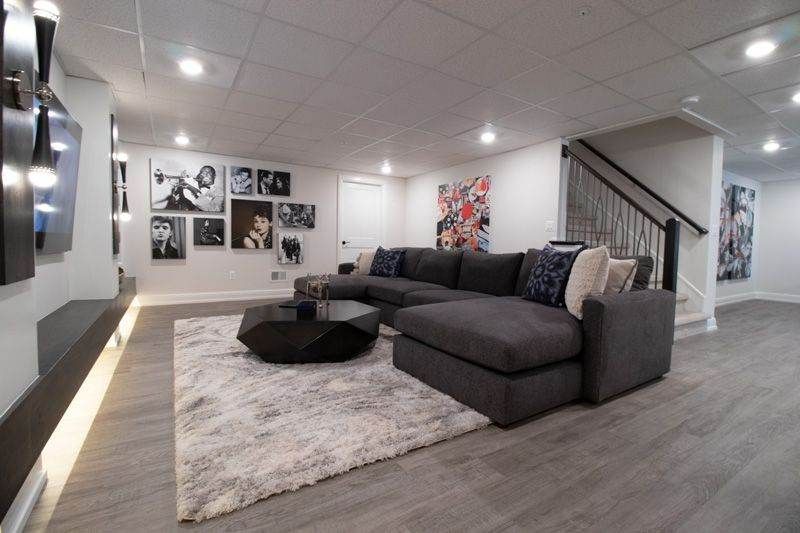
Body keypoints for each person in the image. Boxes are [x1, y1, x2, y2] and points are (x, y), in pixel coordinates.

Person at [151, 165, 224, 212]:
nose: (204, 175)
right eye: (202, 173)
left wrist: (191, 187)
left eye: (208, 173)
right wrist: (179, 185)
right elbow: (178, 199)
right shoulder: (194, 183)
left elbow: (214, 210)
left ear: (214, 176)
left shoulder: (219, 192)